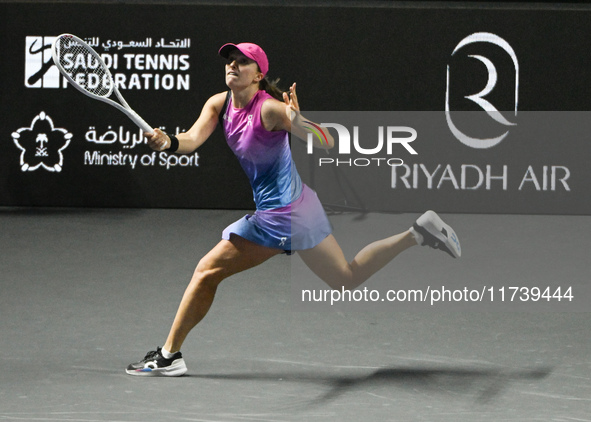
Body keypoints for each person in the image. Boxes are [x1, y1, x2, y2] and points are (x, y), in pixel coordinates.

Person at [126, 42, 461, 377]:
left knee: (206, 271)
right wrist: (168, 141)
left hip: (280, 216)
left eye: (243, 62)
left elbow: (326, 140)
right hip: (300, 207)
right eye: (230, 60)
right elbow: (192, 139)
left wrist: (300, 121)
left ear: (258, 75)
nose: (233, 66)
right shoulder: (219, 104)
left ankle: (169, 356)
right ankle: (417, 233)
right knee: (345, 278)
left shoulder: (270, 110)